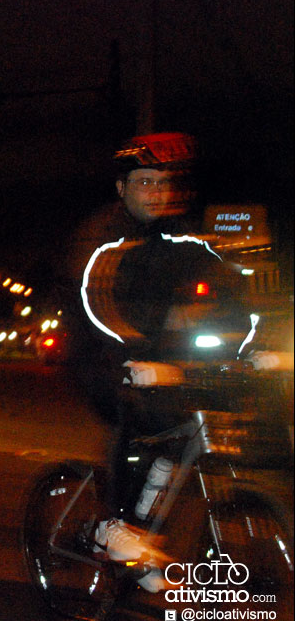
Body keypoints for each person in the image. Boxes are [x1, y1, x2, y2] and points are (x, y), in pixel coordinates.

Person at [72, 133, 240, 592]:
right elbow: (95, 302)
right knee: (135, 409)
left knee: (186, 427)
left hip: (162, 359)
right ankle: (113, 524)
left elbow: (231, 287)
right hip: (101, 352)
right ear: (121, 187)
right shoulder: (103, 237)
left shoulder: (182, 237)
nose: (157, 193)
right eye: (145, 182)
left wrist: (255, 344)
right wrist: (134, 354)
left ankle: (143, 529)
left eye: (164, 183)